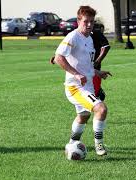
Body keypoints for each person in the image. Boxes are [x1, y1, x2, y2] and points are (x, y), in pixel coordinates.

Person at [53, 6, 112, 156]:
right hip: (75, 87)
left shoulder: (89, 39)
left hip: (88, 85)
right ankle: (99, 144)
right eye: (86, 21)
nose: (89, 24)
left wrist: (98, 72)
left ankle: (72, 143)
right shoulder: (73, 37)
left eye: (92, 21)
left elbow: (86, 66)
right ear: (79, 21)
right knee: (101, 109)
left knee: (83, 116)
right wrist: (76, 74)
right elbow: (58, 58)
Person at [50, 29, 110, 101]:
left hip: (93, 69)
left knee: (95, 99)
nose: (88, 24)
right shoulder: (76, 35)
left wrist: (97, 61)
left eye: (91, 21)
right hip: (79, 72)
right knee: (87, 100)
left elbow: (106, 46)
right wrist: (57, 57)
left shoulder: (95, 32)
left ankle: (98, 93)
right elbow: (70, 50)